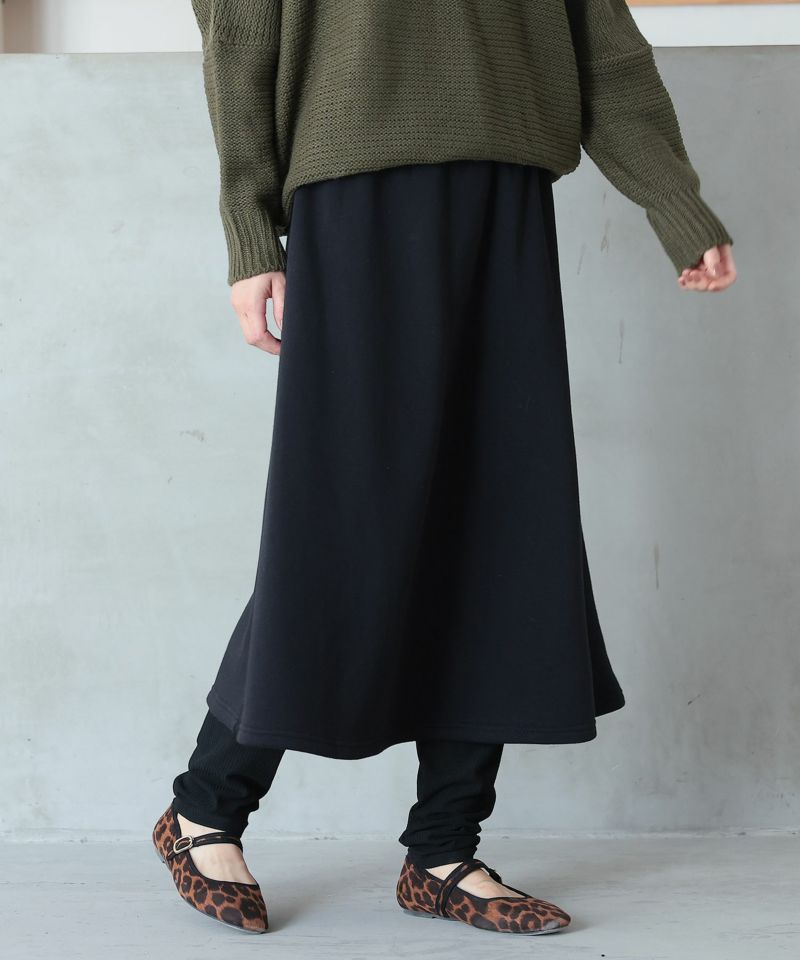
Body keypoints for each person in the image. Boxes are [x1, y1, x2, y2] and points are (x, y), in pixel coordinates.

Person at [152, 0, 737, 937]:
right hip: (354, 190)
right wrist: (250, 231)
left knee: (500, 516)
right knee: (346, 524)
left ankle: (443, 849)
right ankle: (205, 808)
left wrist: (672, 197)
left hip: (507, 188)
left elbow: (602, 44)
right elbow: (241, 34)